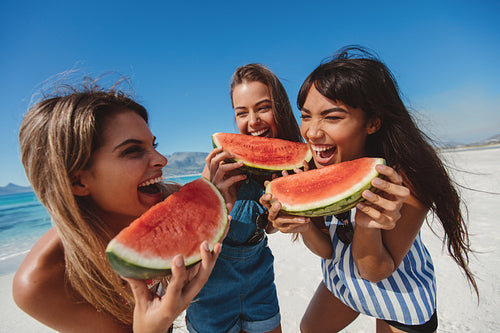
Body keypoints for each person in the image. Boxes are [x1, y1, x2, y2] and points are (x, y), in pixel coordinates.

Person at [260, 46, 478, 333]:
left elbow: (375, 271)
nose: (312, 132)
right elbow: (327, 250)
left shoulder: (406, 180)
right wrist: (303, 227)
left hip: (397, 292)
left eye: (332, 117)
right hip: (344, 281)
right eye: (306, 115)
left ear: (372, 122)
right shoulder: (316, 166)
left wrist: (366, 225)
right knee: (310, 328)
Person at [12, 79, 227, 332]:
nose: (162, 159)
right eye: (133, 150)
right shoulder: (40, 282)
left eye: (153, 145)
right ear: (78, 181)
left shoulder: (168, 201)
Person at [185, 64, 304, 333]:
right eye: (242, 112)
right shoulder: (220, 163)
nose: (253, 121)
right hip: (210, 286)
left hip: (259, 276)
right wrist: (218, 200)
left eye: (263, 108)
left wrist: (277, 218)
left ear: (280, 108)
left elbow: (269, 228)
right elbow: (193, 236)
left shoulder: (288, 166)